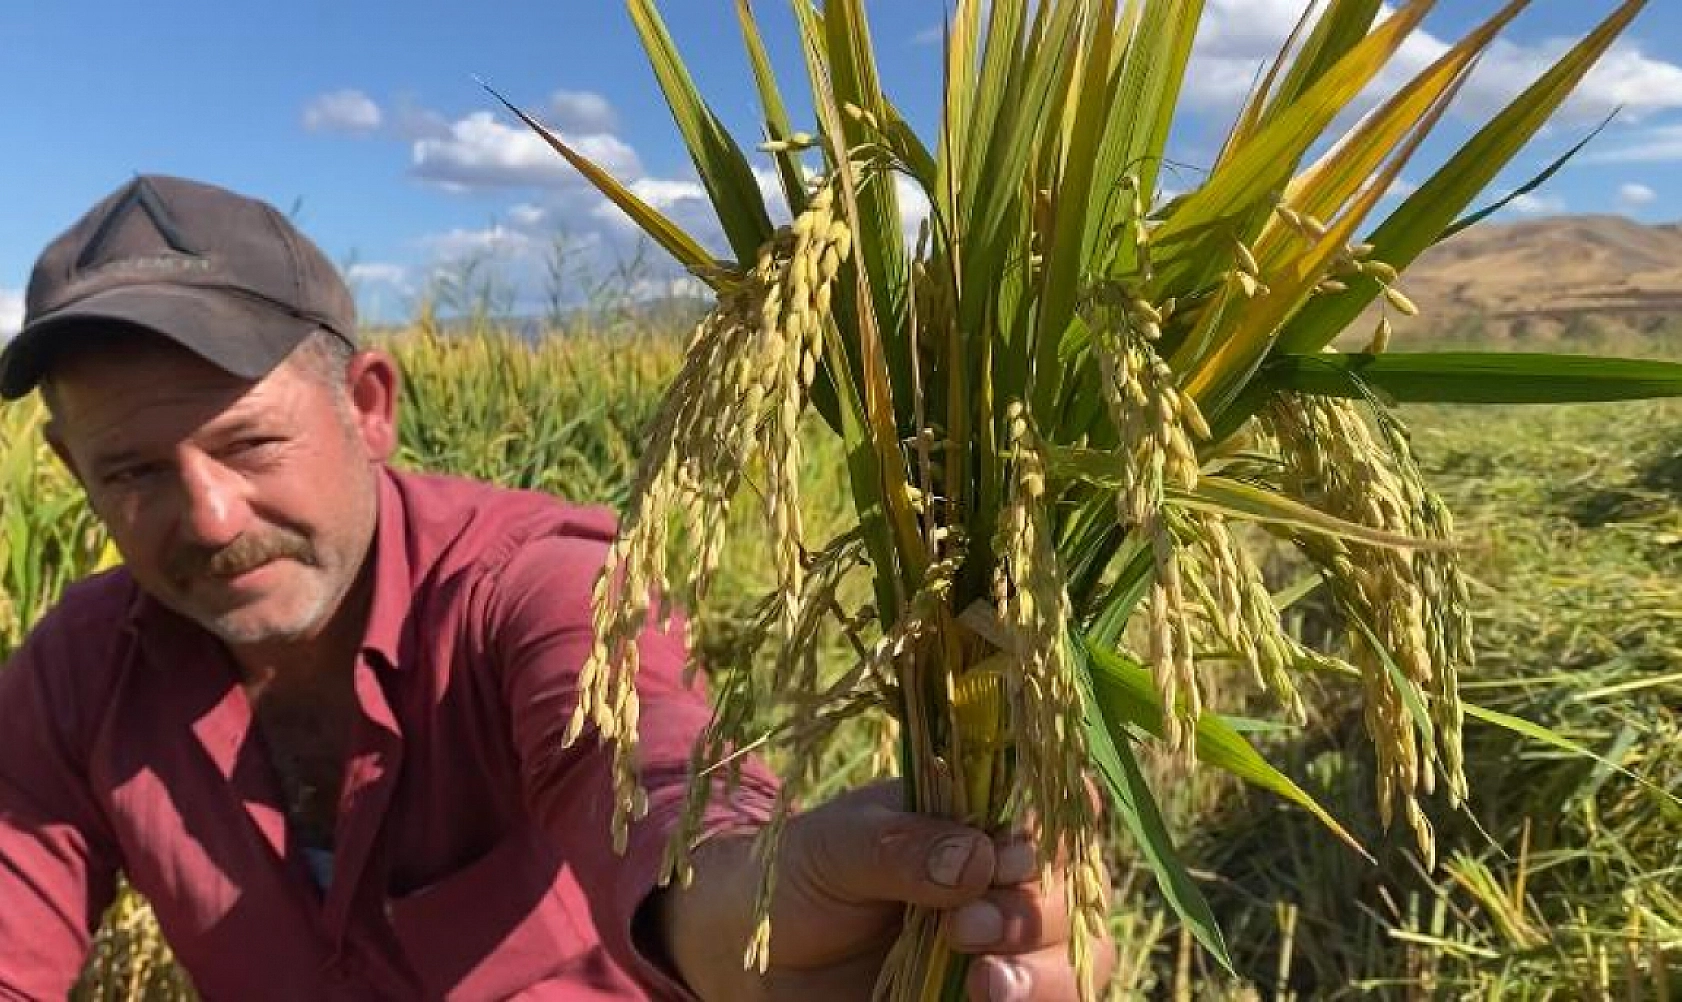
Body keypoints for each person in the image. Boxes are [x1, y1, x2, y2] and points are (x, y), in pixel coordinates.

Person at [0, 175, 1114, 1001]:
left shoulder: (529, 586)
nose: (208, 518)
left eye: (248, 444)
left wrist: (787, 917)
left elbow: (661, 791)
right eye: (134, 472)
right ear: (71, 474)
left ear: (371, 408)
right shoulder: (82, 671)